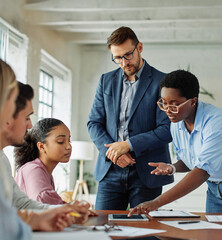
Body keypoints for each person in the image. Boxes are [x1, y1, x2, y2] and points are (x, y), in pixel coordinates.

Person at [87, 26, 173, 210]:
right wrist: (114, 153)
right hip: (110, 169)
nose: (124, 62)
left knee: (144, 234)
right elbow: (94, 123)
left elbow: (167, 129)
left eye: (128, 55)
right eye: (117, 58)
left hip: (147, 172)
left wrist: (128, 145)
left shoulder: (163, 82)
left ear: (139, 47)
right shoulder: (105, 81)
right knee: (102, 230)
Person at [0, 59, 81, 239]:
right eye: (26, 116)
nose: (29, 125)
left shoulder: (2, 159)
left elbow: (19, 204)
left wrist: (62, 211)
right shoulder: (33, 169)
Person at [129, 70, 222, 216]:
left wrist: (157, 202)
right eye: (164, 103)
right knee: (213, 234)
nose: (167, 110)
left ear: (192, 101)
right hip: (213, 188)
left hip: (210, 179)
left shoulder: (215, 123)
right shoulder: (177, 123)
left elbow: (202, 172)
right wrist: (172, 167)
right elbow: (191, 161)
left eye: (174, 104)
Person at [15, 118, 71, 204]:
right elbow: (42, 201)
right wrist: (72, 208)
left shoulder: (45, 172)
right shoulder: (33, 169)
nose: (69, 146)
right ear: (41, 146)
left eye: (69, 140)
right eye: (61, 141)